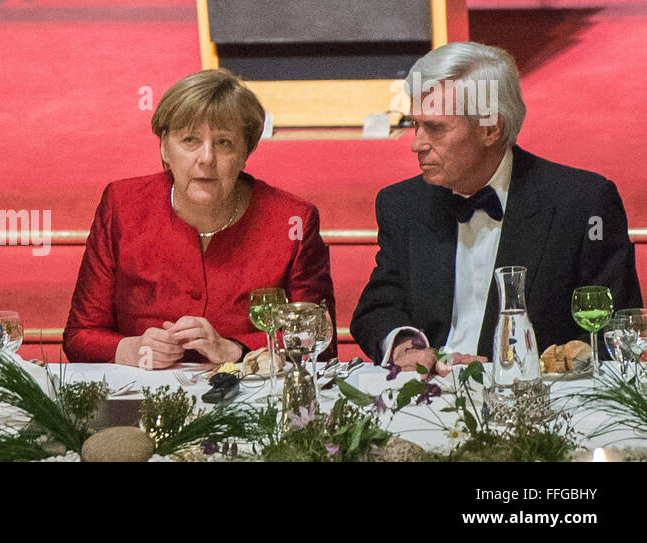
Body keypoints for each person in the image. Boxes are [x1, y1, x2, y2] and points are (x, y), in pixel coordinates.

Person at [350, 41, 642, 372]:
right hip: (428, 398)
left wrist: (523, 371)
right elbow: (378, 306)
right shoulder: (403, 204)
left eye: (435, 128)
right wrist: (405, 345)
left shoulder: (581, 203)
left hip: (536, 404)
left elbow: (614, 334)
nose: (416, 144)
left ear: (490, 128)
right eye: (416, 124)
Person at [64, 69, 336, 369]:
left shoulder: (291, 220)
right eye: (190, 140)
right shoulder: (123, 205)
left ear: (246, 152)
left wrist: (236, 350)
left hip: (250, 402)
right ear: (165, 148)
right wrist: (130, 348)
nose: (207, 158)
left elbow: (319, 339)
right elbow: (80, 336)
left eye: (224, 143)